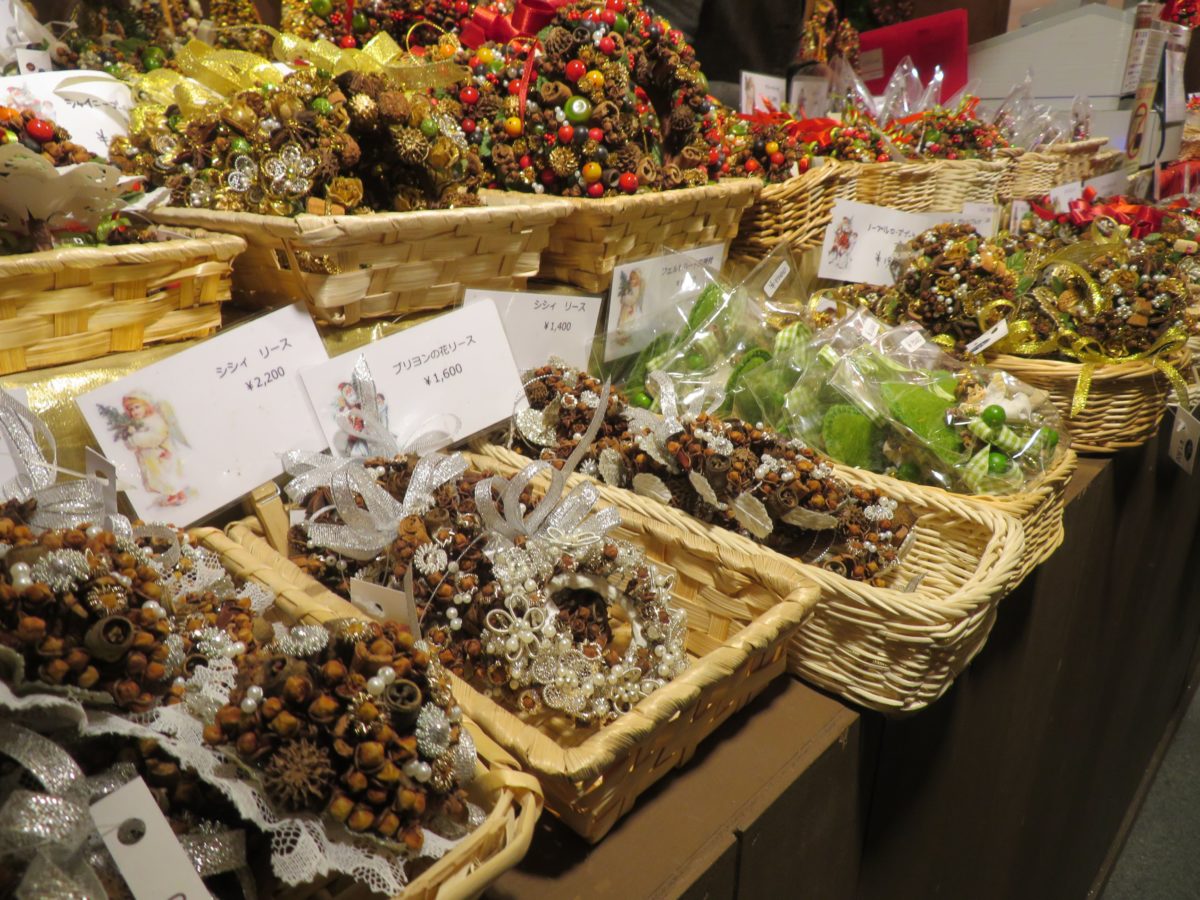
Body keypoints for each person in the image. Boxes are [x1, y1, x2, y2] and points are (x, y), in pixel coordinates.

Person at [120, 392, 189, 506]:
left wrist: (135, 439)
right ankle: (172, 495)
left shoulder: (155, 419)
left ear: (145, 405)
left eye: (137, 407)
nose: (134, 411)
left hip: (161, 454)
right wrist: (131, 438)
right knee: (158, 479)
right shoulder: (136, 423)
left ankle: (180, 495)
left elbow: (156, 437)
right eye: (131, 409)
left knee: (167, 477)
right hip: (150, 459)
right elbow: (132, 444)